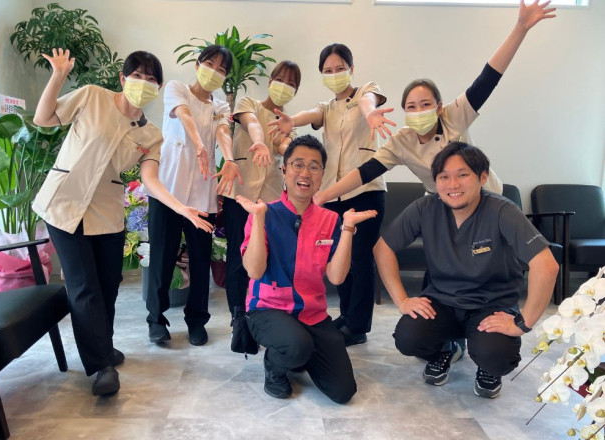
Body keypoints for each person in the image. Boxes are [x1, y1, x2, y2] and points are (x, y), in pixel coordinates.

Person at [32, 49, 213, 396]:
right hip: (63, 205)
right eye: (137, 75)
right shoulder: (92, 96)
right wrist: (57, 75)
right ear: (123, 78)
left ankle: (104, 346)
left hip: (106, 214)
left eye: (151, 78)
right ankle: (102, 366)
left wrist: (182, 208)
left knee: (109, 285)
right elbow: (44, 118)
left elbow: (151, 180)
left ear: (158, 88)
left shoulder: (152, 135)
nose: (143, 83)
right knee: (84, 287)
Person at [314, 0, 557, 203]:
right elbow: (366, 172)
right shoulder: (402, 142)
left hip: (485, 198)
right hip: (443, 202)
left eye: (426, 104)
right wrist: (324, 195)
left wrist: (520, 28)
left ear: (439, 107)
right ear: (405, 112)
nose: (418, 111)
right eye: (411, 107)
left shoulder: (454, 116)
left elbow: (487, 80)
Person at [374, 142, 558, 398]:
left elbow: (546, 265)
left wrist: (523, 323)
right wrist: (402, 300)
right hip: (442, 302)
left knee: (496, 355)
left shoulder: (502, 211)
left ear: (482, 177)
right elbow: (383, 248)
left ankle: (487, 367)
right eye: (444, 177)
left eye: (462, 175)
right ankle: (446, 349)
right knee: (409, 338)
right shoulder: (425, 208)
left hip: (490, 305)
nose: (453, 185)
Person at [267, 43, 396, 346]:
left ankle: (358, 327)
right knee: (341, 258)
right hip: (333, 196)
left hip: (365, 191)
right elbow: (312, 113)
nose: (334, 74)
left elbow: (367, 102)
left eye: (340, 69)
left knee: (360, 260)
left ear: (351, 69)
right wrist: (291, 121)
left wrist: (371, 115)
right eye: (328, 70)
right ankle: (347, 317)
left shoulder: (366, 90)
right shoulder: (327, 108)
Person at [237, 134, 377, 402]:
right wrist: (258, 219)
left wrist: (348, 228)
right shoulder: (264, 212)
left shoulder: (330, 219)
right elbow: (254, 271)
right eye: (298, 164)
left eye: (314, 167)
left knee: (343, 392)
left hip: (312, 314)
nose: (305, 173)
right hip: (267, 309)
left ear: (322, 175)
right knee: (296, 345)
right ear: (284, 170)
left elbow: (337, 277)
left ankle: (298, 352)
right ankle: (275, 367)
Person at [145, 45, 242, 346]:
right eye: (210, 64)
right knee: (161, 259)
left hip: (202, 195)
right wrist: (199, 143)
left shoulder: (220, 106)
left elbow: (223, 132)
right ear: (198, 64)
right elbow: (183, 114)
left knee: (201, 262)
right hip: (168, 191)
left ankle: (197, 320)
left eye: (222, 69)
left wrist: (229, 159)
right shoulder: (177, 89)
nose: (214, 72)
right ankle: (156, 320)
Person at [222, 60, 301, 315]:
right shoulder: (249, 103)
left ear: (295, 91)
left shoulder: (287, 123)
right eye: (281, 80)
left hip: (270, 200)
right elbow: (252, 123)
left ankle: (265, 310)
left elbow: (285, 146)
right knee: (237, 257)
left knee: (267, 255)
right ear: (270, 81)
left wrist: (291, 149)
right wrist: (260, 142)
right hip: (240, 194)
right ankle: (238, 314)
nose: (284, 86)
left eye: (291, 84)